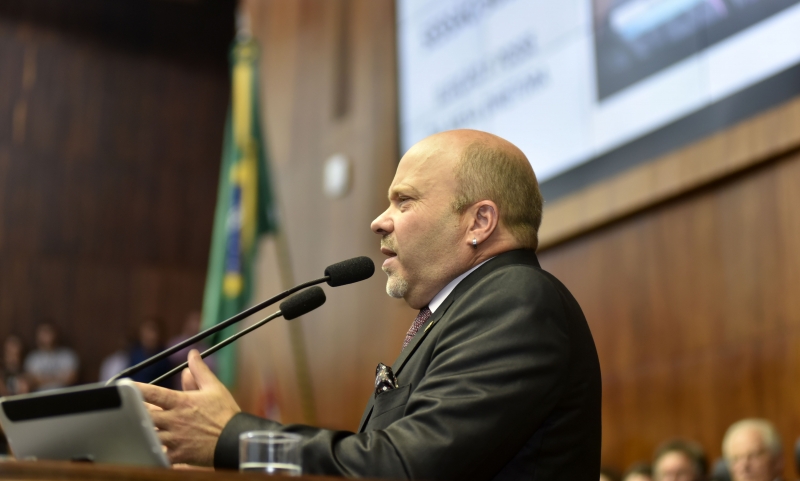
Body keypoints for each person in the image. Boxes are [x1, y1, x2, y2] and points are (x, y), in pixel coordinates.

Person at [139, 129, 602, 479]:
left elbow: (402, 467)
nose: (379, 221)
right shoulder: (458, 311)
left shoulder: (516, 300)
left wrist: (235, 441)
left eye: (404, 201)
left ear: (479, 222)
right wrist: (230, 462)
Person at [24, 322, 78, 391]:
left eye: (48, 332)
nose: (46, 336)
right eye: (43, 332)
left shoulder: (67, 355)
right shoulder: (32, 358)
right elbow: (32, 381)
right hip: (41, 396)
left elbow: (71, 378)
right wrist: (60, 377)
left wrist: (43, 379)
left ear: (55, 334)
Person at [129, 318, 172, 388]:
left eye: (153, 331)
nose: (150, 336)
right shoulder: (134, 354)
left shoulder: (164, 358)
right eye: (146, 332)